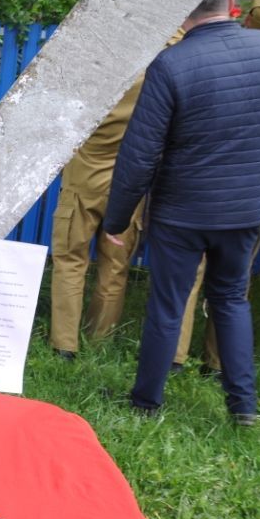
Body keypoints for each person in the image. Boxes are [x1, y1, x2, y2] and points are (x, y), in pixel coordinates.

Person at [102, 0, 260, 426]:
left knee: (167, 305)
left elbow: (139, 155)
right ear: (233, 3)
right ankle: (243, 408)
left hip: (182, 213)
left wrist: (116, 220)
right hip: (246, 211)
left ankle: (145, 403)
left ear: (182, 12)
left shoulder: (171, 65)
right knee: (231, 300)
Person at [49, 30, 203, 363]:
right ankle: (100, 338)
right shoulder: (163, 63)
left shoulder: (94, 60)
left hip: (83, 175)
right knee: (115, 266)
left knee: (70, 259)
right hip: (129, 181)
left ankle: (64, 345)